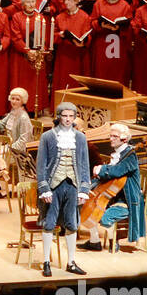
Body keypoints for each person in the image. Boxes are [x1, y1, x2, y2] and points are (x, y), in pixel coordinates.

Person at [35, 101, 90, 276]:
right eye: (64, 116)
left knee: (72, 223)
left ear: (74, 118)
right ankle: (46, 262)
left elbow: (84, 165)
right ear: (59, 117)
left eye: (70, 116)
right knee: (49, 223)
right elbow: (41, 164)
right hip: (53, 185)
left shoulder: (80, 138)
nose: (67, 119)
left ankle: (71, 262)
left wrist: (84, 189)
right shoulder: (48, 137)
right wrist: (44, 188)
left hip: (72, 185)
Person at [90, 122, 147, 252]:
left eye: (114, 136)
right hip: (116, 197)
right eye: (110, 136)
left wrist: (101, 168)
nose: (111, 139)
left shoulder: (130, 155)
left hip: (129, 201)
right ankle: (94, 241)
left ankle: (113, 242)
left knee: (104, 217)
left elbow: (117, 171)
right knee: (90, 209)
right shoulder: (117, 153)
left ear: (124, 139)